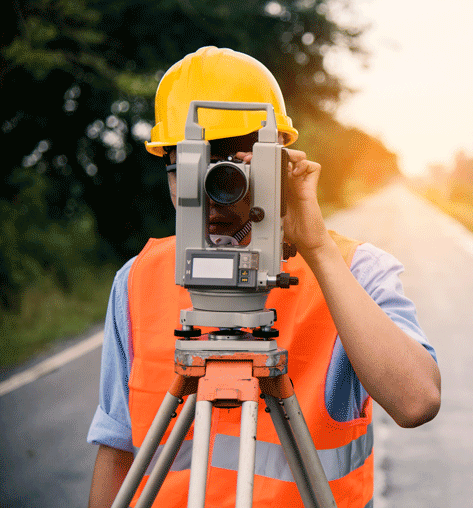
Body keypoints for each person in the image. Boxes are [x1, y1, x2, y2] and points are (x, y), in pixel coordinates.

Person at [86, 46, 440, 508]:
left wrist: (316, 250)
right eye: (190, 164)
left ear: (278, 163)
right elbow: (118, 452)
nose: (214, 191)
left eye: (232, 165)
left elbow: (417, 402)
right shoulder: (137, 280)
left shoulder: (352, 270)